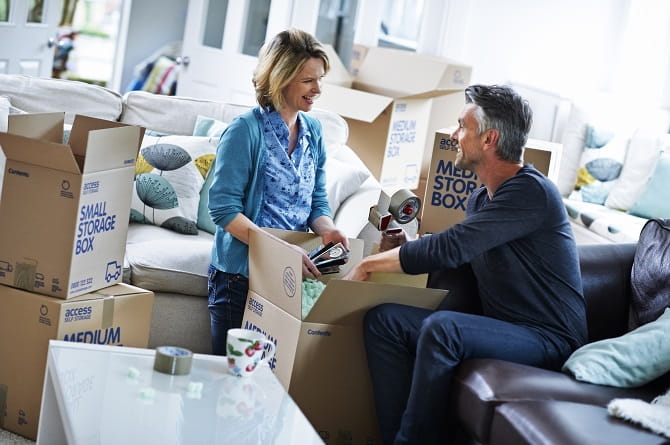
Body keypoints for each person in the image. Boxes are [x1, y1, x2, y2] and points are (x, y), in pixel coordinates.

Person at [344, 84, 587, 444]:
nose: (454, 136)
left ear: (489, 138)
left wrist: (368, 266)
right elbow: (463, 251)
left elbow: (454, 246)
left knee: (444, 329)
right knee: (385, 321)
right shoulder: (480, 199)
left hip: (548, 338)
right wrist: (408, 245)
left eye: (461, 127)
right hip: (503, 326)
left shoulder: (532, 192)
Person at [207, 28, 349, 355]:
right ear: (281, 78)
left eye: (320, 79)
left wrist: (328, 229)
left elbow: (316, 201)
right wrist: (282, 252)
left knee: (271, 384)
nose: (317, 90)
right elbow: (224, 210)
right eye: (308, 80)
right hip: (239, 277)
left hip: (287, 276)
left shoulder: (313, 131)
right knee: (227, 380)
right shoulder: (244, 131)